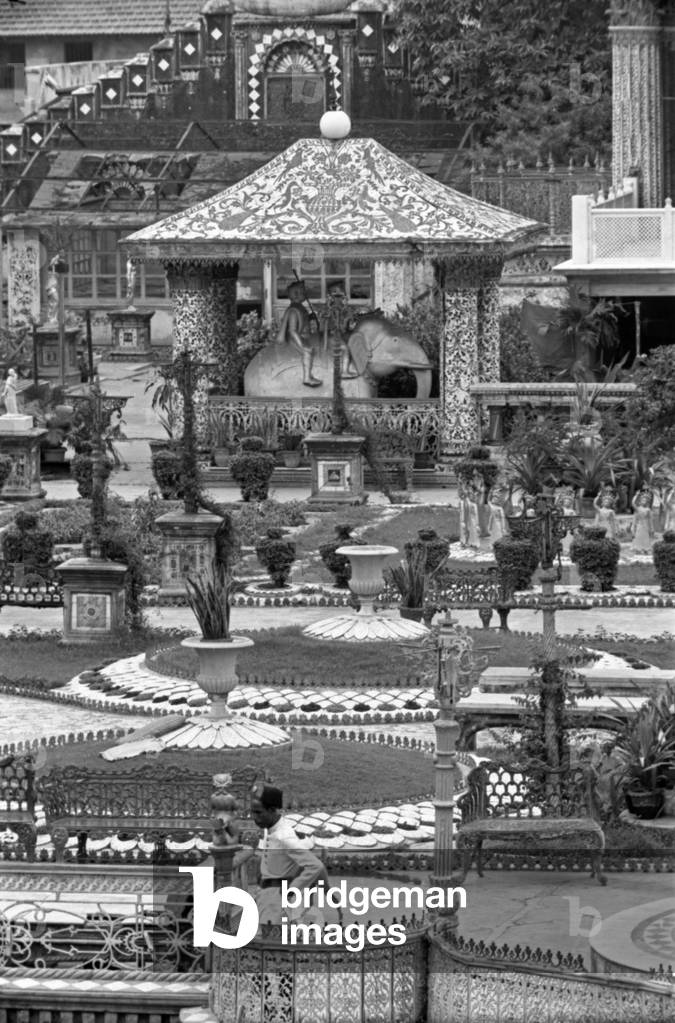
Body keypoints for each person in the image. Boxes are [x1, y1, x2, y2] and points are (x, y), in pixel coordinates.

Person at [248, 783, 331, 927]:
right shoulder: (272, 830)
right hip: (267, 897)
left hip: (276, 902)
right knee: (266, 943)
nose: (255, 818)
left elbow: (315, 866)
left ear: (272, 810)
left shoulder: (284, 836)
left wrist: (292, 890)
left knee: (272, 945)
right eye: (253, 812)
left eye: (259, 813)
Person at [276, 280, 322, 388]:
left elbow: (304, 319)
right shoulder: (293, 310)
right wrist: (301, 344)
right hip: (296, 337)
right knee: (307, 351)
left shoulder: (300, 308)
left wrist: (311, 317)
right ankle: (307, 378)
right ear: (296, 294)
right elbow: (292, 330)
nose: (305, 294)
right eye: (303, 292)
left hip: (306, 335)